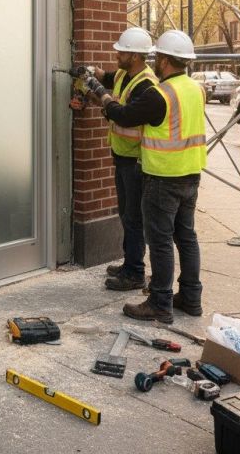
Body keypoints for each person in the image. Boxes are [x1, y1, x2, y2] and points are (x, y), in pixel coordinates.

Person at [83, 30, 207, 324]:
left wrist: (102, 96)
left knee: (161, 240)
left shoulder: (159, 94)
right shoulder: (195, 88)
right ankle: (190, 297)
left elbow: (124, 116)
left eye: (158, 58)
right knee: (186, 237)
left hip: (163, 176)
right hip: (190, 174)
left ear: (163, 60)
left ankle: (160, 302)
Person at [89, 27, 157, 291]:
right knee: (126, 214)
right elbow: (106, 77)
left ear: (136, 56)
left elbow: (125, 115)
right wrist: (92, 74)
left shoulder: (146, 84)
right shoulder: (124, 74)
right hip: (122, 155)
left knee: (133, 217)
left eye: (122, 51)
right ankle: (130, 262)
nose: (117, 54)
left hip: (135, 160)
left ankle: (135, 272)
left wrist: (102, 98)